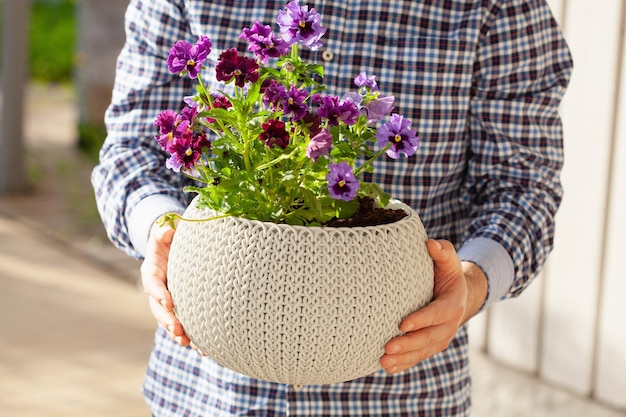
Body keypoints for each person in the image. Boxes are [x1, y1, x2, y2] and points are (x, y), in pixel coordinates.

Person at [92, 0, 573, 415]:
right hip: (207, 393)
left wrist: (469, 285)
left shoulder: (495, 7)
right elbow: (132, 151)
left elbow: (523, 186)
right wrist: (159, 232)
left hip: (400, 392)